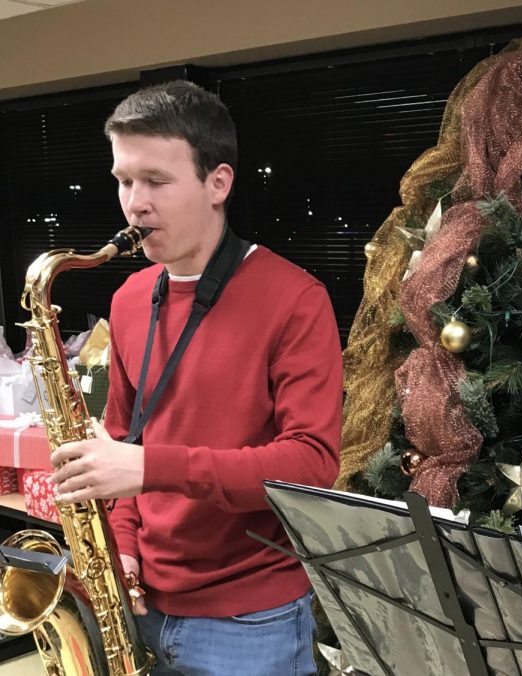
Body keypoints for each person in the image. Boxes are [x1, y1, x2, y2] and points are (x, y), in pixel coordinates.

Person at [48, 80, 343, 675]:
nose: (134, 203)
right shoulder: (131, 298)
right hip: (141, 602)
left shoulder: (295, 299)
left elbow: (312, 464)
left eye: (155, 181)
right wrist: (124, 546)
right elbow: (121, 445)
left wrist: (153, 468)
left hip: (250, 621)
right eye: (124, 181)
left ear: (219, 183)